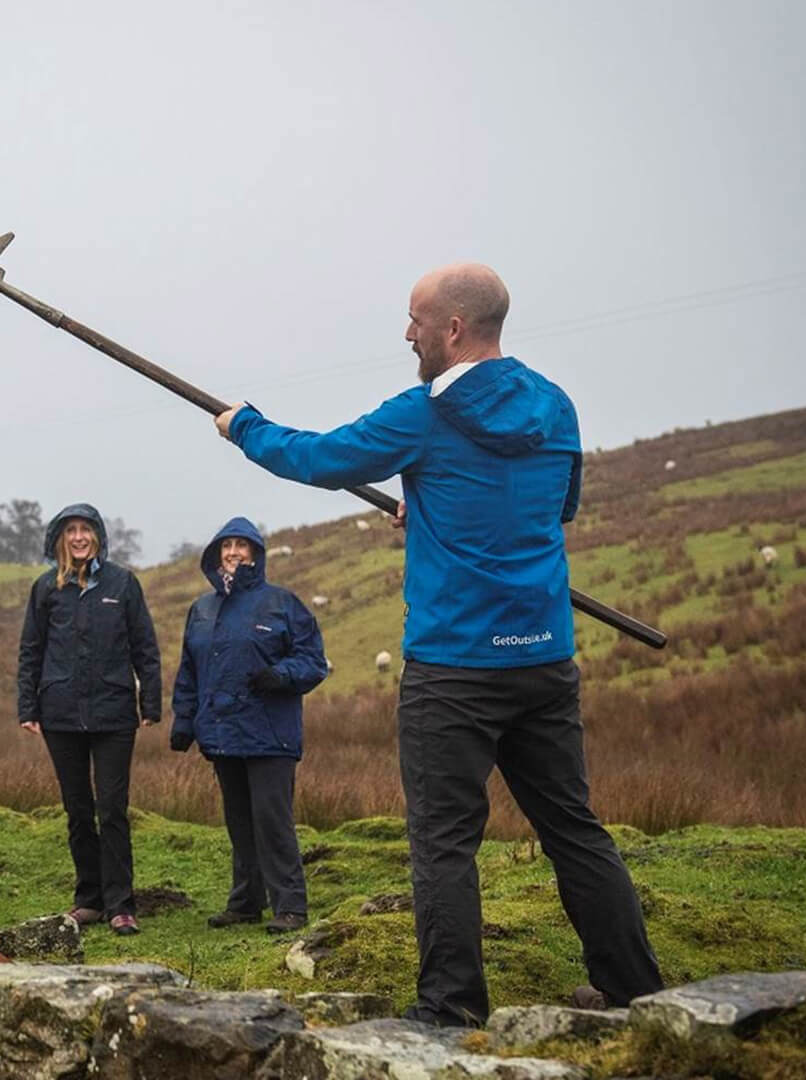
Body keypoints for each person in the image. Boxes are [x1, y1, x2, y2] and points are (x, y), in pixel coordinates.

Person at [213, 263, 662, 1026]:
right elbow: (558, 509)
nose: (407, 334)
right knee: (573, 829)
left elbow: (320, 459)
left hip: (454, 671)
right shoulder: (555, 405)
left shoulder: (424, 413)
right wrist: (433, 504)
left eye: (415, 321)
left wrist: (245, 426)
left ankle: (451, 1011)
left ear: (452, 329)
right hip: (544, 659)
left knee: (443, 843)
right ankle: (634, 992)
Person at [170, 517, 328, 935]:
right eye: (227, 546)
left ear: (256, 553)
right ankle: (245, 903)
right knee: (239, 822)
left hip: (270, 733)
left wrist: (280, 675)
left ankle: (290, 906)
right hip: (221, 733)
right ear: (216, 553)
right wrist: (184, 720)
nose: (234, 552)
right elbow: (189, 670)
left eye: (242, 545)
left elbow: (313, 661)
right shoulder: (202, 610)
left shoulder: (282, 603)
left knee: (273, 821)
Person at [15, 504, 161, 935]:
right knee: (78, 811)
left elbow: (145, 646)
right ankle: (90, 899)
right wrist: (28, 707)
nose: (79, 537)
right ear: (60, 539)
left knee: (112, 809)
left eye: (86, 530)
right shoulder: (46, 588)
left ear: (98, 536)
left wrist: (150, 703)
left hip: (115, 714)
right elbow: (31, 651)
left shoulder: (123, 584)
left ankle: (121, 904)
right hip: (60, 714)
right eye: (71, 531)